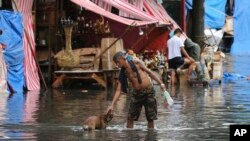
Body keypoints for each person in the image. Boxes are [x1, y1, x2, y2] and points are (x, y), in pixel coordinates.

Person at [106, 51, 167, 128]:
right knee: (130, 117)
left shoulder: (136, 62)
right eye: (116, 63)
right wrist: (112, 105)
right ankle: (130, 136)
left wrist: (161, 83)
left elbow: (149, 72)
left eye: (118, 62)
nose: (117, 65)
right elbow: (118, 90)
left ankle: (151, 136)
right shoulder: (123, 72)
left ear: (123, 59)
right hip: (137, 94)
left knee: (150, 118)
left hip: (149, 92)